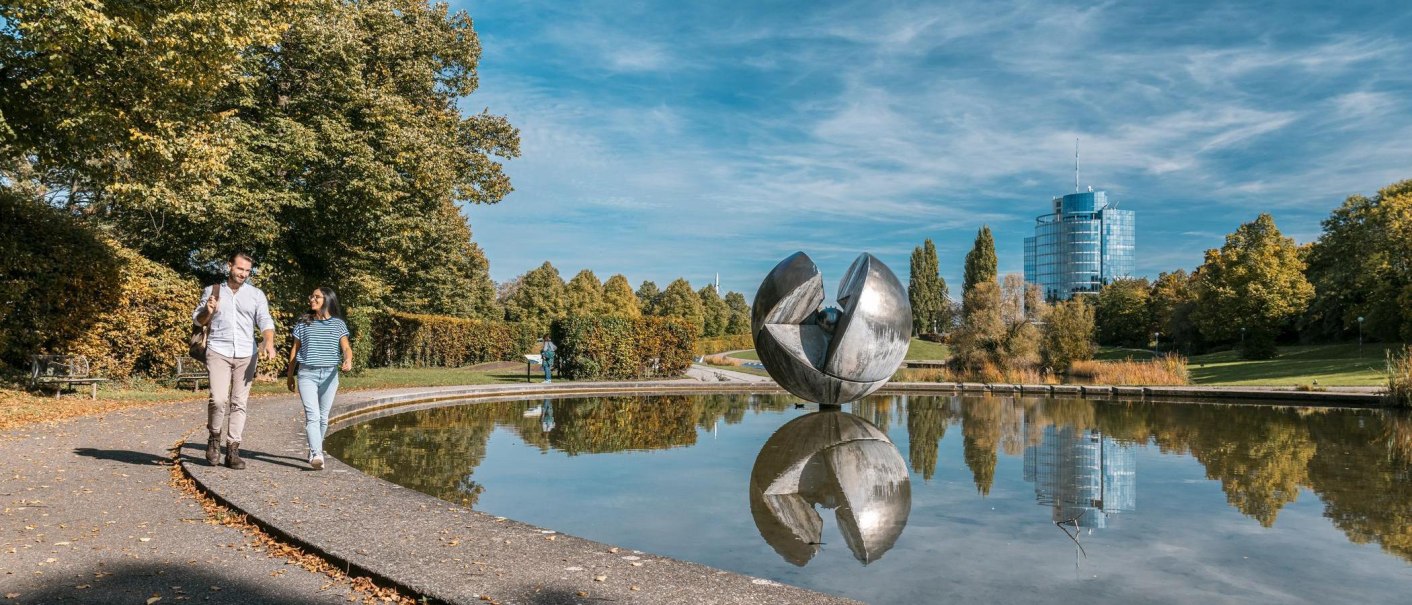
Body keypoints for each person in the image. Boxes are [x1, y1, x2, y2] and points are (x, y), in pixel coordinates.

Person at [193, 252, 276, 469]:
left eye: (247, 271)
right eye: (240, 269)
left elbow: (265, 320)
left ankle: (232, 450)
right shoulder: (212, 291)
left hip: (246, 354)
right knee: (218, 399)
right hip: (218, 350)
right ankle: (213, 438)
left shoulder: (256, 295)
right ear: (229, 266)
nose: (243, 274)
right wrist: (207, 311)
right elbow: (198, 320)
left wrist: (269, 342)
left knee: (240, 403)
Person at [285, 287, 352, 470]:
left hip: (330, 375)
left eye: (316, 297)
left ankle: (316, 449)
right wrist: (290, 375)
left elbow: (346, 347)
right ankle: (316, 453)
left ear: (327, 300)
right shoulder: (303, 324)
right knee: (313, 416)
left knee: (323, 418)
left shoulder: (338, 324)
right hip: (307, 374)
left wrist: (348, 359)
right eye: (311, 296)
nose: (312, 299)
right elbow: (295, 350)